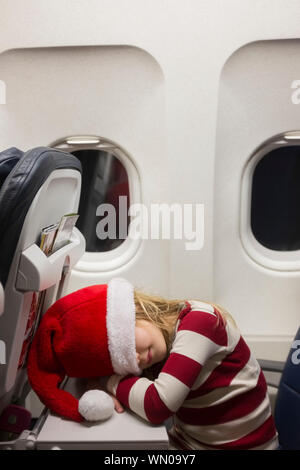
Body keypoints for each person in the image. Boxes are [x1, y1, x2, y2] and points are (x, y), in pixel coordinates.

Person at [100, 287, 278, 450]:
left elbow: (157, 405)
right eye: (122, 357)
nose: (135, 359)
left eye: (129, 343)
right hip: (191, 441)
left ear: (136, 310)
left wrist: (108, 382)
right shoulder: (160, 344)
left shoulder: (200, 322)